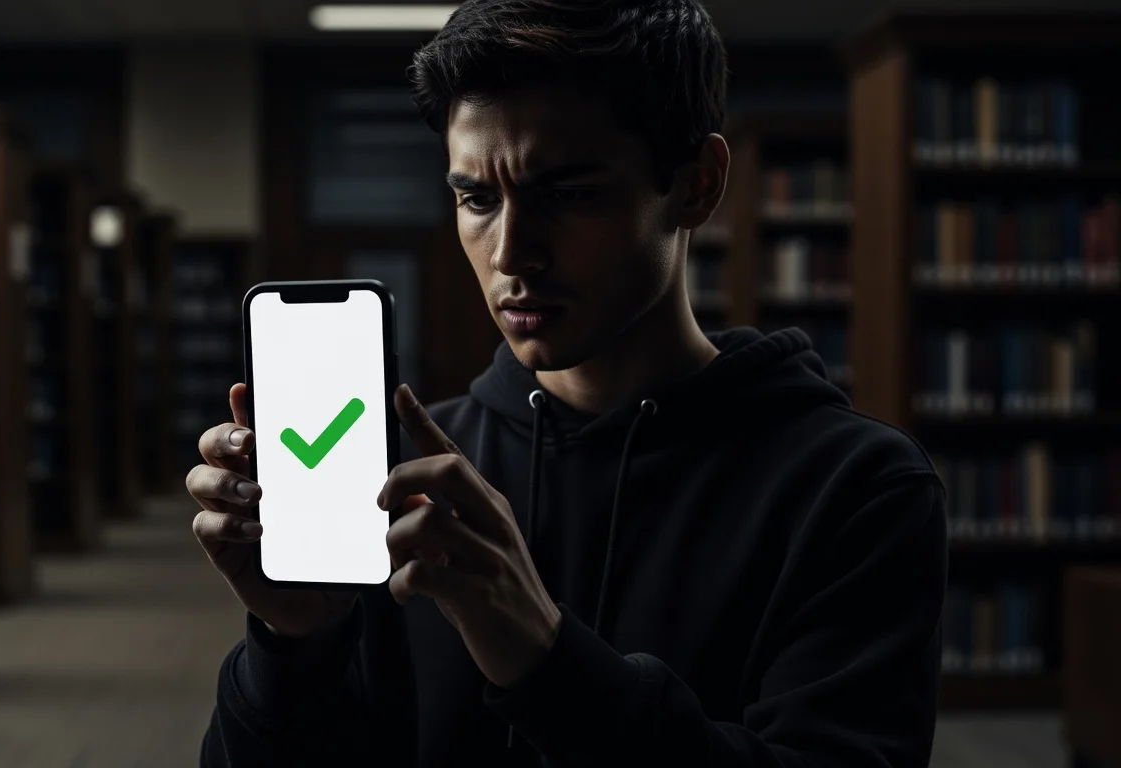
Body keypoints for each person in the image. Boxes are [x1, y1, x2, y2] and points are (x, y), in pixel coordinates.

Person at [186, 0, 947, 765]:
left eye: (570, 194)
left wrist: (545, 661)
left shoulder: (856, 488)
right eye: (478, 199)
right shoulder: (402, 479)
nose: (513, 252)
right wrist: (292, 645)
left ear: (697, 186)